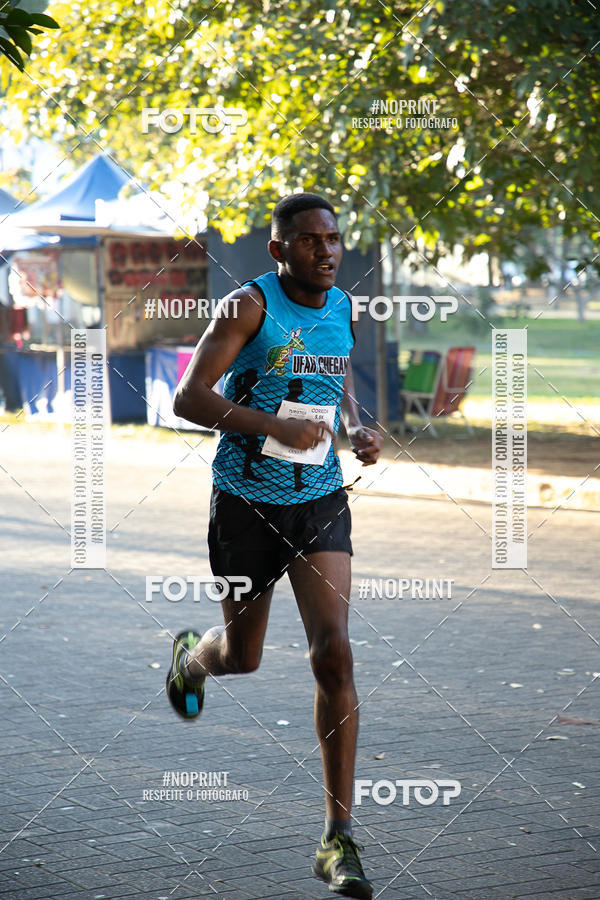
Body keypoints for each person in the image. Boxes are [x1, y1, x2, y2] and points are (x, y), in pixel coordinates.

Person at [167, 193, 382, 899]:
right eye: (311, 241)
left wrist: (355, 429)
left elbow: (334, 372)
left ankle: (337, 839)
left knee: (335, 651)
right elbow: (188, 398)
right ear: (279, 250)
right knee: (245, 656)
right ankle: (193, 662)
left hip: (319, 500)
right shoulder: (247, 308)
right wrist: (271, 425)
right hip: (245, 503)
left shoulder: (342, 305)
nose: (327, 251)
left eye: (334, 238)